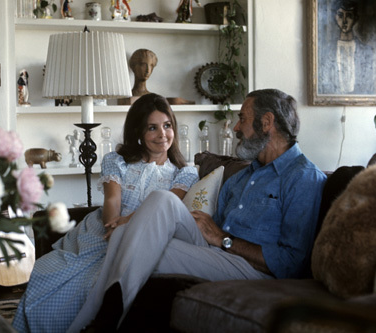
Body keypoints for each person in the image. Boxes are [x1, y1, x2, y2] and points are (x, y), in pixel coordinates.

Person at [71, 89, 327, 332]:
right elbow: (213, 234)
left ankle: (98, 321)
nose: (236, 127)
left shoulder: (303, 177)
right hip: (217, 252)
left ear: (267, 122)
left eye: (242, 119)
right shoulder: (241, 177)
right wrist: (213, 236)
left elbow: (291, 263)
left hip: (254, 270)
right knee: (161, 201)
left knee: (139, 244)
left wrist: (224, 240)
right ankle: (101, 320)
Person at [12, 93, 199, 332]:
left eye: (167, 126)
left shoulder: (184, 172)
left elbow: (165, 207)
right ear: (138, 132)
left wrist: (126, 224)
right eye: (152, 128)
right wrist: (114, 223)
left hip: (141, 237)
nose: (162, 135)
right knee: (47, 270)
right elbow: (112, 199)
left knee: (92, 284)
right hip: (102, 230)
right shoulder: (117, 160)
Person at [318, 0, 376, 95]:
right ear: (335, 17)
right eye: (340, 15)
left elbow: (368, 86)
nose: (344, 21)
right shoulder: (327, 51)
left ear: (355, 18)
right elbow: (324, 83)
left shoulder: (367, 51)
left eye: (349, 16)